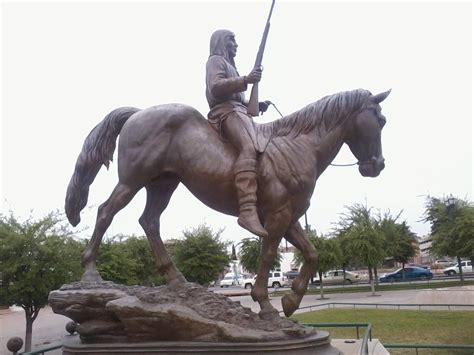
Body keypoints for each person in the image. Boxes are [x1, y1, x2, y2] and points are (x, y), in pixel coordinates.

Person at [205, 29, 270, 238]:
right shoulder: (215, 60)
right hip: (226, 113)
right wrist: (246, 79)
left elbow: (238, 98)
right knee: (249, 147)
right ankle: (248, 209)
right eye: (232, 40)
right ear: (222, 43)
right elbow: (215, 87)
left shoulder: (231, 66)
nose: (236, 44)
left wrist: (257, 104)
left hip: (239, 112)